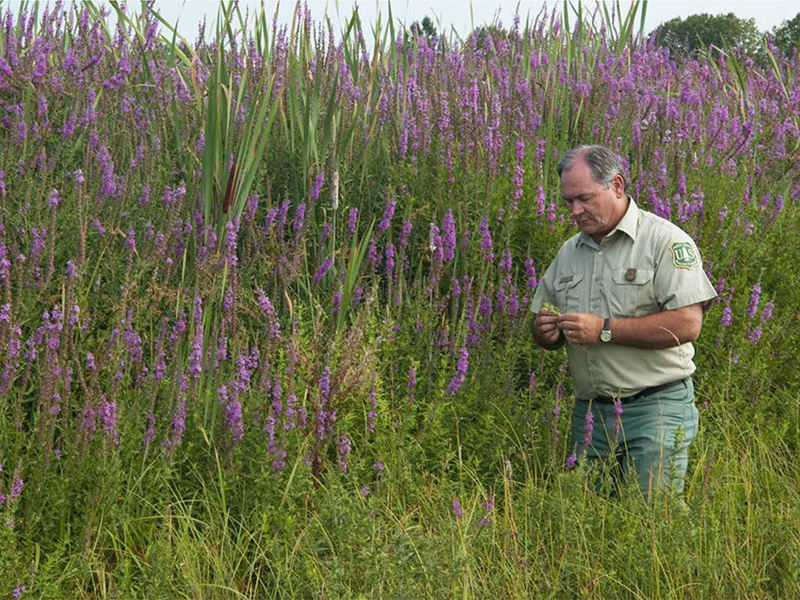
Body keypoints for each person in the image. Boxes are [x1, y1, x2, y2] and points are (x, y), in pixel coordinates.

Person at [531, 145, 717, 500]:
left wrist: (604, 329)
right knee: (584, 525)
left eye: (584, 198)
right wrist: (544, 333)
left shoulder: (665, 241)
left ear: (616, 186)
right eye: (568, 201)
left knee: (649, 521)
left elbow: (688, 324)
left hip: (656, 408)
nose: (575, 211)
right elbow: (545, 320)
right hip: (591, 416)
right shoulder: (570, 253)